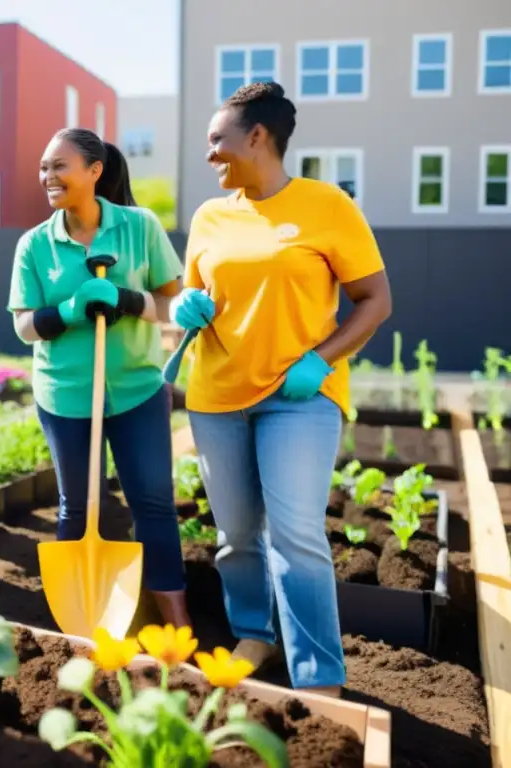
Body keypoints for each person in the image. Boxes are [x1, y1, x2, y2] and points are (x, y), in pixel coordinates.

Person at [172, 81, 392, 696]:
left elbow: (375, 301)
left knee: (296, 535)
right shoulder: (210, 216)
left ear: (258, 137)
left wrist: (321, 362)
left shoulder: (328, 207)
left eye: (218, 141)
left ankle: (319, 675)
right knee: (236, 535)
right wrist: (186, 308)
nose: (211, 154)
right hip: (217, 395)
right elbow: (196, 300)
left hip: (298, 397)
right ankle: (255, 634)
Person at [7, 128, 191, 629]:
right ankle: (81, 624)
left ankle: (177, 622)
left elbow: (173, 304)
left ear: (95, 171)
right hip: (65, 397)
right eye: (43, 167)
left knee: (153, 503)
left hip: (136, 389)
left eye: (59, 166)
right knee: (77, 506)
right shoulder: (35, 245)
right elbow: (24, 325)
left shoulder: (139, 226)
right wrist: (68, 310)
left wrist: (130, 302)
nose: (48, 176)